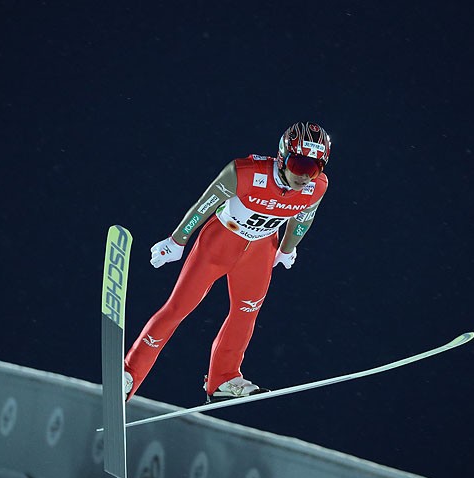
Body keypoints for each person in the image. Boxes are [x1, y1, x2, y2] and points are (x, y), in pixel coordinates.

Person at [124, 121, 331, 403]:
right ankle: (130, 372)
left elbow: (304, 219)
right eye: (299, 165)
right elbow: (204, 205)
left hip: (260, 251)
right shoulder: (245, 172)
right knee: (178, 308)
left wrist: (287, 249)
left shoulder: (317, 187)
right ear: (283, 157)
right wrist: (177, 240)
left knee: (246, 314)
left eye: (314, 168)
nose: (305, 176)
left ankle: (223, 378)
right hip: (220, 243)